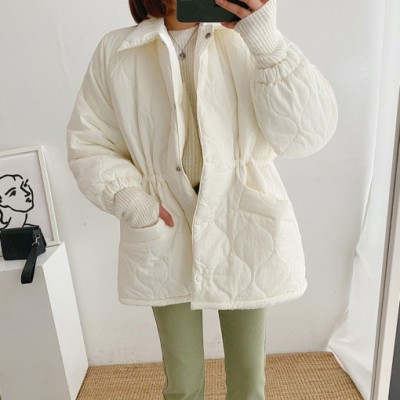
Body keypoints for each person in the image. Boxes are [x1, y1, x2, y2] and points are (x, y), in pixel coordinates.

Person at [66, 0, 338, 398]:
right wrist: (131, 199)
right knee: (181, 381)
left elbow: (307, 134)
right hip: (164, 224)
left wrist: (266, 42)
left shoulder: (246, 39)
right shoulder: (117, 50)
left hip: (242, 216)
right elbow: (90, 141)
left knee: (249, 382)